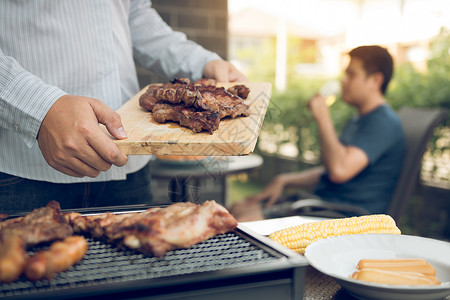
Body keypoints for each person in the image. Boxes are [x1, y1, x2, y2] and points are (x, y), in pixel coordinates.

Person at [0, 1, 247, 214]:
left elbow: (135, 14)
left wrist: (202, 62)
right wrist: (39, 108)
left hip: (130, 171)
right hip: (24, 174)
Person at [232, 45, 405, 222]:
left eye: (351, 75)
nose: (344, 81)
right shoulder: (359, 120)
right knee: (239, 208)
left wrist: (323, 117)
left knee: (243, 221)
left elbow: (339, 170)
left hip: (345, 216)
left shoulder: (382, 122)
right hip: (323, 205)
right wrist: (284, 180)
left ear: (376, 81)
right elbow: (331, 171)